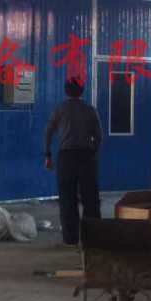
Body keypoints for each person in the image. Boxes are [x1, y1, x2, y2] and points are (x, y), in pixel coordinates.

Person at [44, 77, 103, 246]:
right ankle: (93, 239)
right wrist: (91, 152)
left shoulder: (60, 109)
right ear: (82, 91)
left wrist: (48, 155)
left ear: (66, 91)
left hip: (66, 157)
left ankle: (70, 239)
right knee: (90, 199)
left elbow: (48, 132)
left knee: (67, 199)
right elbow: (99, 137)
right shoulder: (90, 110)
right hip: (86, 157)